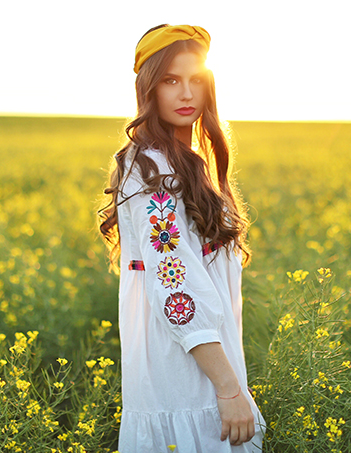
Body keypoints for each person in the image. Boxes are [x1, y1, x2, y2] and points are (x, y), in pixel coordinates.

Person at [99, 24, 265, 452]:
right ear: (149, 88)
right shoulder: (152, 169)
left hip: (204, 363)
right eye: (171, 80)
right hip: (184, 373)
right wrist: (229, 390)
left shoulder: (189, 161)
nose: (186, 93)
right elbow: (176, 286)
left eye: (197, 79)